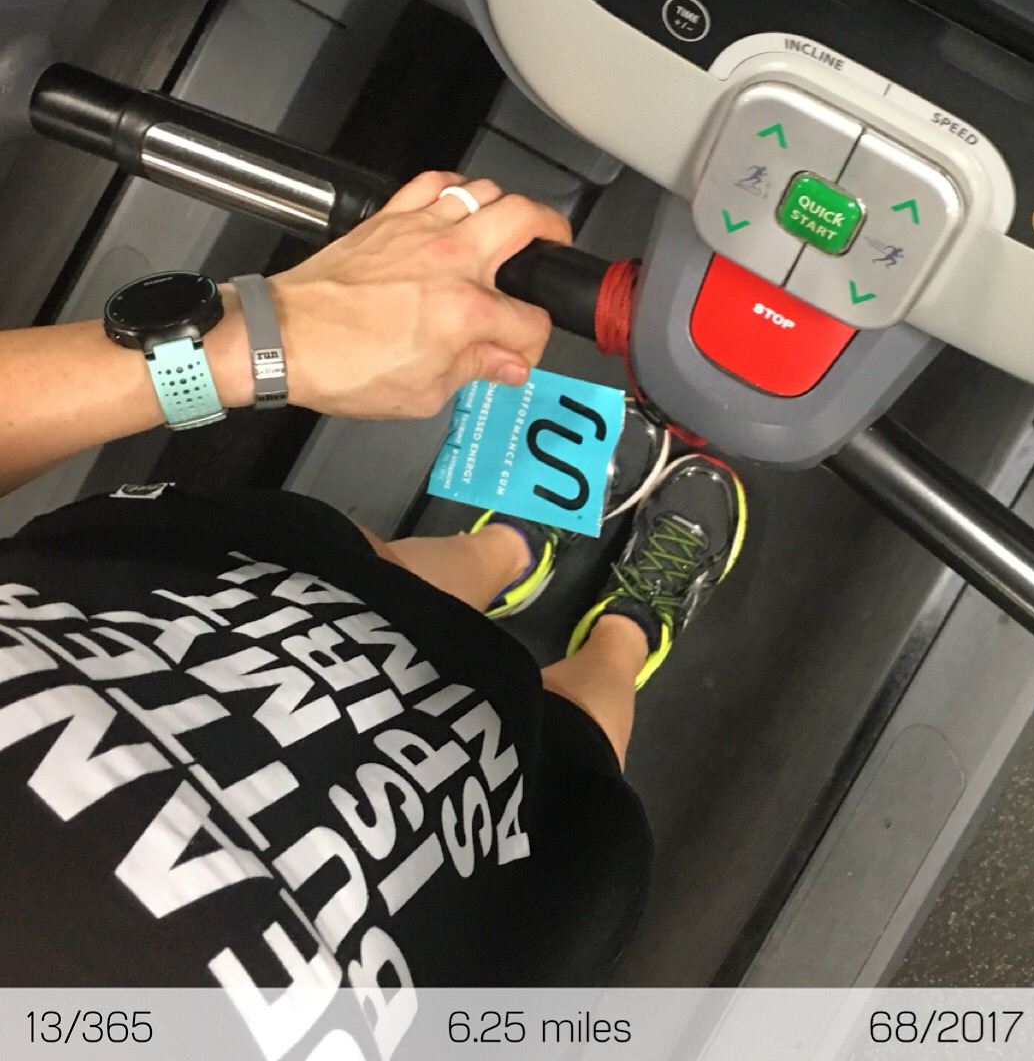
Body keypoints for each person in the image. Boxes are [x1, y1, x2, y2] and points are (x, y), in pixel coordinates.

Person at [0, 172, 746, 1008]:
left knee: (355, 583)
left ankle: (509, 551)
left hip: (149, 630)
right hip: (395, 916)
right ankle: (630, 626)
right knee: (558, 754)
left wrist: (259, 337)